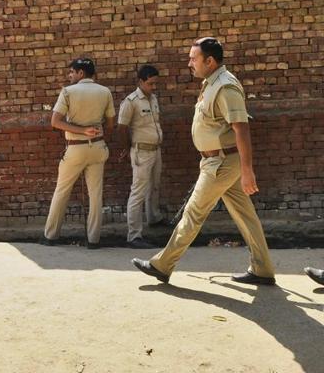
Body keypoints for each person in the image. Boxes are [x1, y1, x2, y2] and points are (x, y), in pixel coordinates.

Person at [132, 37, 275, 285]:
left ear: (210, 61)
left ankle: (162, 265)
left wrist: (247, 169)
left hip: (220, 163)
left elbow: (241, 128)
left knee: (193, 213)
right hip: (219, 161)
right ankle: (262, 269)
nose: (190, 63)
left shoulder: (225, 86)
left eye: (194, 58)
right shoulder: (211, 83)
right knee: (246, 216)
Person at [42, 58, 115, 249]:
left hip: (75, 148)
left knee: (61, 191)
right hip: (98, 147)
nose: (70, 76)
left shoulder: (68, 92)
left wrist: (82, 130)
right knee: (96, 195)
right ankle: (93, 240)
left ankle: (51, 236)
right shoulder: (105, 92)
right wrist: (95, 130)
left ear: (81, 73)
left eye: (72, 72)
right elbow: (110, 123)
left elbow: (55, 122)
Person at [117, 65, 166, 249]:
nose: (154, 87)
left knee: (154, 187)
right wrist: (127, 149)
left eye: (155, 83)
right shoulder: (131, 102)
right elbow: (122, 128)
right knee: (138, 192)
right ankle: (134, 235)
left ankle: (154, 218)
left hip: (155, 150)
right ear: (140, 81)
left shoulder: (153, 99)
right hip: (141, 152)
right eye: (150, 83)